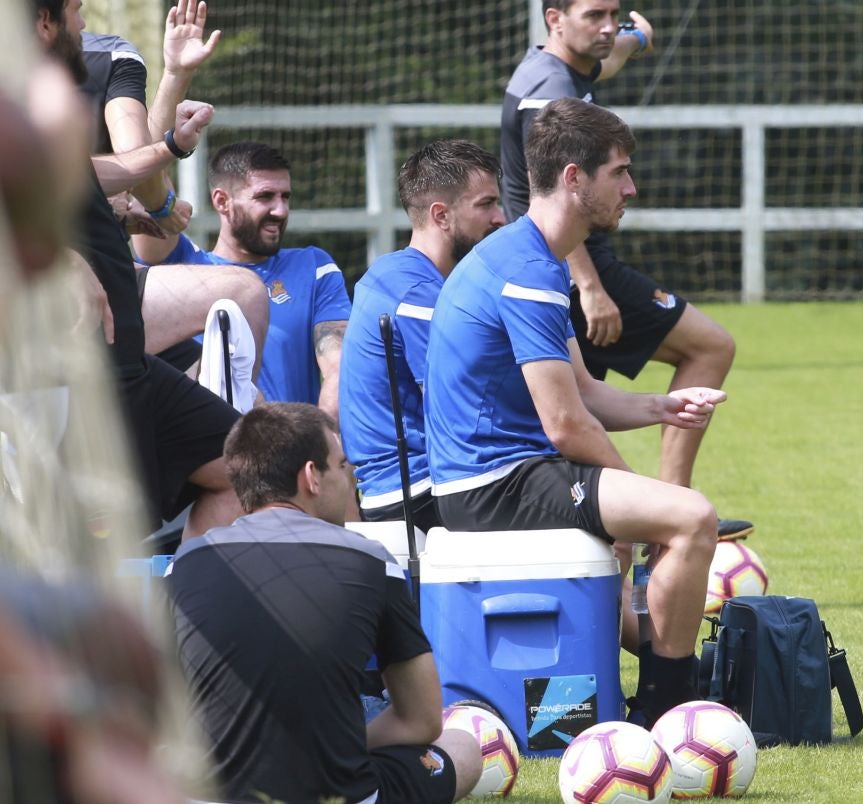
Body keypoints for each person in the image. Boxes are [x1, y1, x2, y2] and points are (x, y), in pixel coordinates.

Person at [428, 97, 721, 723]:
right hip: (491, 485)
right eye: (619, 172)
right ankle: (668, 710)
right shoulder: (529, 270)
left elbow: (584, 391)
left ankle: (657, 697)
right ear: (572, 177)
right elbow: (565, 426)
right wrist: (635, 502)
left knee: (672, 516)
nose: (631, 187)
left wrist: (665, 406)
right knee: (691, 517)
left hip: (505, 473)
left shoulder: (535, 258)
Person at [19, 0, 244, 538]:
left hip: (128, 368)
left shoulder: (44, 98)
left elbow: (90, 171)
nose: (84, 21)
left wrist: (168, 148)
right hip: (65, 378)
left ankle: (186, 615)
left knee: (251, 471)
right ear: (43, 21)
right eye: (72, 7)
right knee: (74, 552)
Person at [168, 402, 482, 803]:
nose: (352, 479)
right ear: (311, 476)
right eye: (343, 465)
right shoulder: (369, 560)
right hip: (340, 791)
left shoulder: (185, 565)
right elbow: (421, 719)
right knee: (463, 747)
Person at [501, 0, 736, 490]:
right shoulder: (550, 95)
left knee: (568, 420)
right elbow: (563, 197)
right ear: (554, 19)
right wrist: (589, 287)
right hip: (566, 261)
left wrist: (638, 39)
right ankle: (673, 507)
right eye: (595, 16)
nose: (608, 27)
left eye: (613, 14)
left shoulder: (559, 67)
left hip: (557, 257)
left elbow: (605, 62)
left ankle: (626, 529)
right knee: (710, 347)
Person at [16, 0, 270, 377]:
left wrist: (174, 81)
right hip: (40, 291)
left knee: (240, 387)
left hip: (113, 276)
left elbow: (143, 182)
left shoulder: (109, 55)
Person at [339, 139, 505, 529]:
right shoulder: (416, 293)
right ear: (441, 216)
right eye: (486, 204)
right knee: (590, 510)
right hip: (416, 492)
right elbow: (467, 405)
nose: (501, 218)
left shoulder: (406, 276)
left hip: (421, 482)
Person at [133, 141, 352, 419]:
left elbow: (339, 367)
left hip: (294, 452)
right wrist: (172, 134)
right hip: (205, 451)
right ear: (222, 201)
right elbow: (145, 180)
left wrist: (322, 435)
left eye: (285, 197)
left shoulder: (312, 266)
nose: (281, 210)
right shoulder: (183, 267)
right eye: (265, 197)